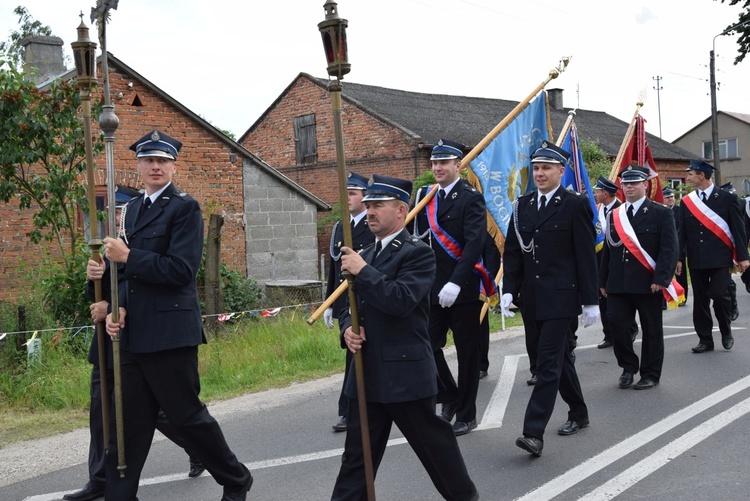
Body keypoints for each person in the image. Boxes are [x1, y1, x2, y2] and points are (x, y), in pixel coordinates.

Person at [102, 130, 253, 501]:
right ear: (138, 165)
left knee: (187, 417)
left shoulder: (185, 207)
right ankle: (119, 495)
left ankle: (235, 479)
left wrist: (129, 257)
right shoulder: (133, 208)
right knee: (130, 423)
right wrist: (118, 303)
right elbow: (128, 275)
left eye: (162, 161)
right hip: (134, 332)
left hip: (170, 332)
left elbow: (181, 271)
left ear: (173, 165)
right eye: (148, 160)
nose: (155, 167)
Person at [331, 174, 479, 501]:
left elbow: (400, 301)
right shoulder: (365, 255)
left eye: (378, 205)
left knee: (437, 453)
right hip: (365, 374)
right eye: (367, 205)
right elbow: (347, 305)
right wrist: (347, 329)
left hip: (404, 375)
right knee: (357, 463)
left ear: (401, 211)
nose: (369, 211)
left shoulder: (417, 254)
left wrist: (362, 271)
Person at [64, 192, 205, 501]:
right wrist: (95, 281)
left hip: (140, 335)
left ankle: (198, 448)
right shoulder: (112, 245)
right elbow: (102, 291)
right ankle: (100, 479)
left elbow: (143, 286)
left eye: (121, 212)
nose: (117, 218)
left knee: (157, 411)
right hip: (108, 338)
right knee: (102, 409)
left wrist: (112, 304)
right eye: (114, 213)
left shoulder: (141, 243)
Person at [500, 142, 599, 457]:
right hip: (532, 299)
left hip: (562, 299)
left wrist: (591, 300)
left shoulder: (574, 204)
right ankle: (579, 411)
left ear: (561, 170)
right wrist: (507, 290)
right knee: (554, 362)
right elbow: (513, 254)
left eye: (546, 168)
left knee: (546, 366)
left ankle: (533, 433)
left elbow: (585, 256)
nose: (540, 173)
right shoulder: (522, 205)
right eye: (537, 168)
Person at [413, 139, 491, 436]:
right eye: (434, 163)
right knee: (428, 346)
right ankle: (449, 394)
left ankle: (467, 415)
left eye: (444, 163)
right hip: (432, 288)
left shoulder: (470, 198)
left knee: (467, 354)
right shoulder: (426, 197)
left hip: (462, 288)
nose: (438, 168)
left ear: (458, 165)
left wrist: (456, 283)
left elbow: (474, 245)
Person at [599, 166, 678, 390]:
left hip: (647, 282)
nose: (630, 186)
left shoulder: (661, 212)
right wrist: (602, 281)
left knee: (652, 329)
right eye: (626, 183)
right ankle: (628, 367)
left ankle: (650, 373)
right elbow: (609, 249)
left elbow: (669, 249)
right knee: (617, 325)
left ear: (646, 185)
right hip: (617, 282)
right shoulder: (615, 214)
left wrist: (661, 278)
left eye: (635, 182)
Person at [677, 160, 750, 353]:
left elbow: (738, 229)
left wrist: (743, 257)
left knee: (719, 295)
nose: (688, 177)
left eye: (691, 173)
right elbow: (681, 232)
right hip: (696, 258)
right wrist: (678, 258)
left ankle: (726, 331)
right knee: (700, 301)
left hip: (720, 258)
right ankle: (705, 339)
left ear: (701, 175)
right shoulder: (687, 201)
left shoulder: (727, 198)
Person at [324, 172, 374, 432]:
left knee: (359, 356)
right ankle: (349, 410)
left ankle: (349, 410)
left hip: (366, 298)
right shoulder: (339, 226)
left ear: (364, 198)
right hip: (345, 302)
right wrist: (330, 303)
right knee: (352, 354)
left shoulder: (372, 224)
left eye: (353, 193)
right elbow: (335, 267)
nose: (348, 198)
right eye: (345, 193)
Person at [593, 176, 638, 349]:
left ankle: (631, 328)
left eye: (597, 191)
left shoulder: (622, 210)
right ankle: (608, 335)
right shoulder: (597, 209)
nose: (595, 194)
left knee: (621, 301)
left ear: (605, 193)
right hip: (600, 261)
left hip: (619, 261)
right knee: (603, 300)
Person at [479, 234, 501, 380]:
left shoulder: (484, 215)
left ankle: (480, 365)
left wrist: (489, 283)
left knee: (477, 326)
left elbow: (491, 251)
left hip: (478, 282)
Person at [663, 187, 689, 308]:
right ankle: (663, 299)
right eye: (667, 197)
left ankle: (682, 297)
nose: (670, 199)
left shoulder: (679, 210)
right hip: (664, 246)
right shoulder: (661, 211)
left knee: (680, 273)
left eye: (672, 197)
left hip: (678, 246)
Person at [719, 182, 740, 321]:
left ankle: (733, 306)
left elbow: (740, 228)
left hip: (731, 246)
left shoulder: (741, 203)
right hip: (719, 246)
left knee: (728, 281)